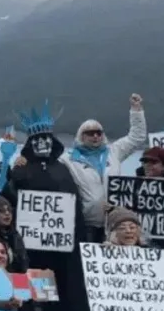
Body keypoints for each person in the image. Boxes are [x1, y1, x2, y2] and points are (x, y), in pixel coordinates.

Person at [1, 102, 87, 311]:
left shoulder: (62, 169)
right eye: (38, 141)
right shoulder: (22, 168)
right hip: (31, 243)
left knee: (61, 282)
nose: (43, 144)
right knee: (33, 279)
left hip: (62, 244)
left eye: (47, 140)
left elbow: (73, 203)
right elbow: (5, 194)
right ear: (31, 143)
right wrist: (8, 164)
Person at [60, 94, 147, 242]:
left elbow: (137, 137)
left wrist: (136, 110)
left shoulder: (114, 151)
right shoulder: (67, 159)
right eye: (89, 133)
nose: (95, 136)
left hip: (114, 222)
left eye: (98, 133)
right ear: (80, 136)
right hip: (86, 223)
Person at [104, 208, 164, 311]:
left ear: (139, 231)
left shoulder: (156, 255)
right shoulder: (102, 255)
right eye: (122, 228)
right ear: (113, 234)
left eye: (132, 227)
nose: (128, 231)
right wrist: (107, 256)